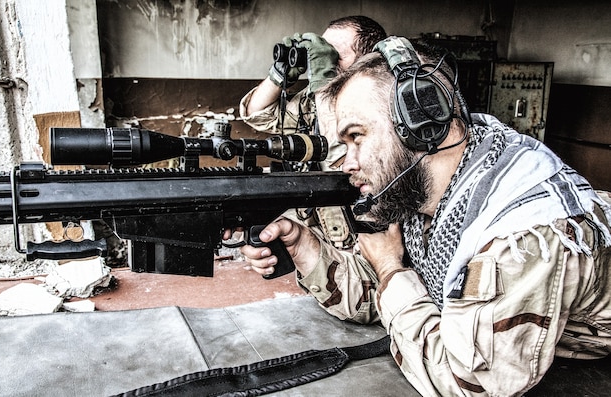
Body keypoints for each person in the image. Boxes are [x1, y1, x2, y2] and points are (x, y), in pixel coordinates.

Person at [239, 36, 611, 396]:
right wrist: (304, 245)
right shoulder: (421, 193)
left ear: (421, 124)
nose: (347, 163)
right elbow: (380, 300)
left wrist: (390, 269)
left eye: (357, 137)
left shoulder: (523, 233)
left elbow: (468, 381)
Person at [238, 15, 387, 250]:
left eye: (333, 55)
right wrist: (279, 74)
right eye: (321, 52)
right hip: (324, 229)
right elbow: (259, 115)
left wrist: (323, 82)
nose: (323, 61)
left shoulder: (382, 101)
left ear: (367, 60)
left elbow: (338, 153)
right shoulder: (313, 100)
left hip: (368, 237)